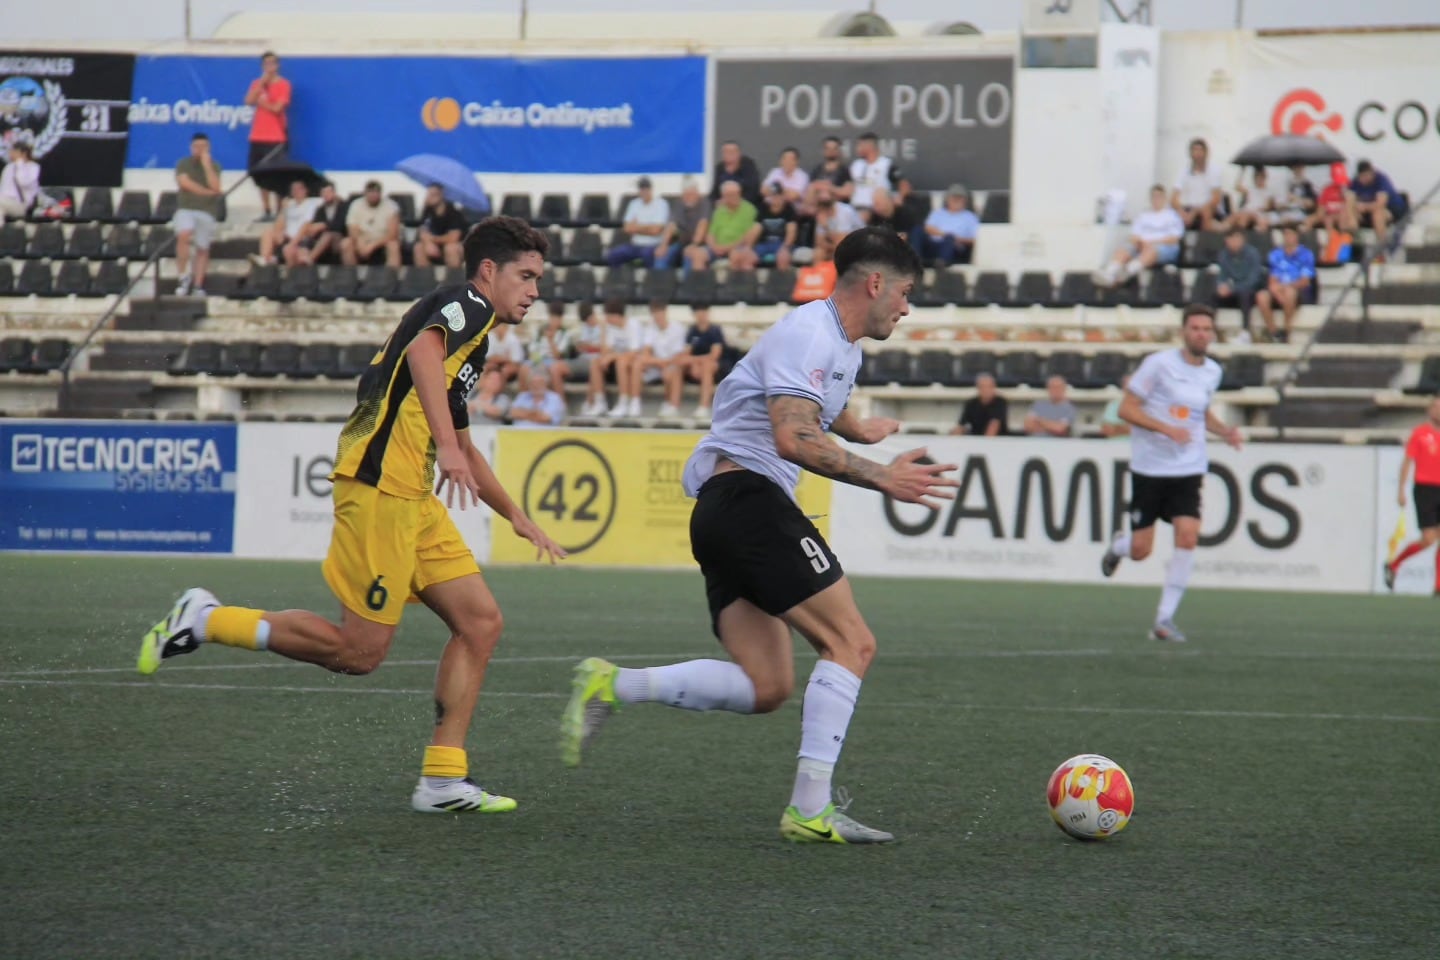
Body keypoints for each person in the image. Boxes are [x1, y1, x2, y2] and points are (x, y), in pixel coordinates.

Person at [138, 217, 566, 814]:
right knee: (360, 653)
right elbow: (422, 352)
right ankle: (209, 620)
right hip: (380, 487)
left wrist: (517, 516)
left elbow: (464, 445)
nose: (535, 291)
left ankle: (443, 780)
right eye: (526, 276)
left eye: (539, 280)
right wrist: (444, 447)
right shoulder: (467, 304)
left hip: (414, 498)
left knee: (480, 623)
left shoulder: (477, 340)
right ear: (489, 271)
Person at [560, 227, 957, 844]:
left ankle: (613, 684)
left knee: (766, 685)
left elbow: (819, 405)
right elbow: (793, 436)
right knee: (852, 643)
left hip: (724, 511)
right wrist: (884, 477)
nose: (907, 308)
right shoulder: (810, 333)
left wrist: (859, 430)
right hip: (750, 501)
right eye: (905, 293)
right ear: (876, 283)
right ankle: (809, 810)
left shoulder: (840, 345)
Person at [1100, 304, 1243, 642]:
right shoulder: (1158, 364)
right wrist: (1165, 428)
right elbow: (1126, 409)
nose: (1201, 334)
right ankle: (1120, 546)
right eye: (1195, 328)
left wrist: (1225, 432)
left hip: (1188, 468)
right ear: (1183, 332)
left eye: (1207, 329)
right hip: (1150, 468)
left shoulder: (1212, 371)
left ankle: (1164, 619)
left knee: (1188, 536)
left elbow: (1200, 412)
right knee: (1141, 550)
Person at [1383, 396, 1440, 594]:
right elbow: (1407, 461)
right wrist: (1401, 489)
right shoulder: (1420, 433)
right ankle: (1394, 565)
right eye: (1436, 407)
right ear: (1429, 411)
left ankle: (1438, 584)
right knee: (1429, 539)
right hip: (1425, 489)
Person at [1095, 185, 1184, 288]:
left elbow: (1174, 239)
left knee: (1152, 250)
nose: (1156, 199)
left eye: (1159, 196)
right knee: (1126, 247)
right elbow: (1134, 236)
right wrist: (1142, 243)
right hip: (1141, 245)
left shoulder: (1172, 216)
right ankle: (1110, 272)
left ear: (1164, 198)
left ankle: (1125, 273)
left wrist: (1151, 243)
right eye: (1154, 196)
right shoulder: (1143, 216)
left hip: (1164, 248)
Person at [173, 133, 223, 298]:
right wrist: (207, 192)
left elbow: (216, 186)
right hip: (186, 208)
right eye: (197, 146)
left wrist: (207, 166)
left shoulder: (215, 166)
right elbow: (185, 183)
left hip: (206, 211)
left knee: (202, 247)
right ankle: (183, 277)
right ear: (191, 147)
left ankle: (198, 285)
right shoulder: (183, 163)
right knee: (184, 233)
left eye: (204, 146)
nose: (200, 150)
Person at [244, 51, 291, 222]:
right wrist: (261, 85)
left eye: (273, 63)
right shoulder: (257, 84)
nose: (270, 67)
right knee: (259, 174)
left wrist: (262, 102)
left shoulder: (284, 85)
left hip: (276, 137)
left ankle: (279, 211)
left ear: (277, 65)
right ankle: (266, 210)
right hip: (257, 136)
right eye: (266, 64)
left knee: (277, 174)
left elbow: (277, 108)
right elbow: (248, 101)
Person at [582, 298, 643, 418]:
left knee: (622, 361)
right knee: (595, 362)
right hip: (616, 364)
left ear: (616, 315)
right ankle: (600, 402)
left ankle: (624, 402)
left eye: (608, 316)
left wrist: (613, 356)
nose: (606, 319)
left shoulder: (634, 325)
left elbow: (634, 352)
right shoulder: (611, 327)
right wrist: (603, 330)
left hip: (631, 365)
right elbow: (605, 351)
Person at [1255, 225, 1315, 344]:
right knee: (1261, 296)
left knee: (1289, 293)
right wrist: (1278, 293)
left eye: (1290, 234)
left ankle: (1287, 331)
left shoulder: (1306, 254)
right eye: (1285, 234)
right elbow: (1273, 280)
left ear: (1297, 236)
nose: (1288, 237)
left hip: (1298, 289)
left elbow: (1305, 281)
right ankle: (1274, 332)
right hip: (1278, 289)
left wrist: (1286, 287)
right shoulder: (1275, 254)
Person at [662, 306, 725, 419]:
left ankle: (703, 407)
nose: (701, 315)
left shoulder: (715, 330)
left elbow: (714, 355)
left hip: (712, 367)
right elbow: (686, 354)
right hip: (694, 366)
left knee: (707, 366)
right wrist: (693, 364)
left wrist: (696, 362)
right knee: (678, 366)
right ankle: (673, 406)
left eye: (703, 312)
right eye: (698, 313)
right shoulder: (692, 331)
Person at [685, 180, 758, 273]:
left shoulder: (749, 209)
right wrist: (715, 247)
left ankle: (733, 282)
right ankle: (700, 282)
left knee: (736, 255)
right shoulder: (719, 211)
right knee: (697, 254)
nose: (734, 197)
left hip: (737, 247)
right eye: (730, 195)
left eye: (736, 193)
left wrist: (727, 248)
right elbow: (710, 234)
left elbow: (747, 237)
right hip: (716, 248)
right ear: (724, 196)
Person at [634, 300, 689, 416]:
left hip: (673, 365)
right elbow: (645, 354)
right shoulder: (650, 329)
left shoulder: (677, 328)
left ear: (665, 312)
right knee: (637, 364)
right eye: (654, 314)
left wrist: (665, 364)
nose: (657, 317)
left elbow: (679, 356)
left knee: (673, 370)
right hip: (657, 365)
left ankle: (672, 405)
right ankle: (634, 402)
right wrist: (660, 362)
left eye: (659, 313)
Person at [252, 179, 321, 267]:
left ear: (305, 190)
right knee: (268, 233)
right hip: (287, 237)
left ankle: (277, 260)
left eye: (299, 189)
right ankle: (265, 259)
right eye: (293, 189)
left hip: (301, 238)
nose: (296, 191)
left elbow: (306, 224)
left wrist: (293, 242)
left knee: (296, 253)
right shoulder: (290, 205)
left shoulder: (311, 204)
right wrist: (283, 210)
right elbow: (277, 227)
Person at [606, 176, 671, 268]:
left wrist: (636, 227)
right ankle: (619, 277)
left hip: (653, 245)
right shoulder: (634, 204)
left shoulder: (661, 204)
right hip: (635, 245)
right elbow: (627, 228)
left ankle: (650, 277)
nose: (644, 191)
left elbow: (656, 230)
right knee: (613, 255)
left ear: (651, 189)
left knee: (647, 255)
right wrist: (648, 227)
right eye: (641, 189)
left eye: (646, 189)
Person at [1213, 227, 1265, 340]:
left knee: (1244, 295)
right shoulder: (1223, 255)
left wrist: (1232, 288)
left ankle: (1245, 331)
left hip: (1250, 290)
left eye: (1237, 239)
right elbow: (1222, 275)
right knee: (1213, 294)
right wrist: (1221, 286)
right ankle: (1212, 329)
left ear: (1243, 240)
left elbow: (1254, 279)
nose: (1234, 242)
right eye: (1231, 239)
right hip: (1232, 290)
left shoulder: (1253, 254)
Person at [1347, 160, 1407, 255]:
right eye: (1362, 177)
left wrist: (1364, 207)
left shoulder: (1381, 180)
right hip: (1367, 210)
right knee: (1348, 215)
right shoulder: (1356, 182)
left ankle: (1383, 247)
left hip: (1392, 209)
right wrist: (1352, 215)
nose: (1364, 179)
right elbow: (1349, 200)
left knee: (1377, 214)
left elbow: (1380, 204)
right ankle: (1354, 250)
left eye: (1366, 176)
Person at [732, 182, 796, 271]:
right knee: (746, 258)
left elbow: (791, 232)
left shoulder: (789, 209)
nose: (775, 198)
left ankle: (780, 279)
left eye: (778, 195)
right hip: (764, 244)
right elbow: (756, 229)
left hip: (781, 244)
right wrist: (748, 247)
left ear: (783, 196)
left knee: (783, 258)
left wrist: (785, 247)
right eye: (773, 196)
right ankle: (750, 279)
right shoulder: (763, 208)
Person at [653, 176, 709, 270]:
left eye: (691, 194)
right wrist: (663, 245)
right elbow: (671, 225)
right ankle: (659, 279)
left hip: (699, 244)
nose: (689, 197)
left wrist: (694, 245)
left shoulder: (704, 203)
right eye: (686, 195)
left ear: (697, 193)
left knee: (690, 254)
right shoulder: (679, 203)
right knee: (662, 255)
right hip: (681, 242)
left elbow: (702, 225)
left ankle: (688, 279)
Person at [342, 181, 402, 268]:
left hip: (382, 241)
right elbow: (352, 229)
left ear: (380, 193)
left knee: (393, 246)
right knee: (346, 243)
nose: (373, 195)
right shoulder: (356, 205)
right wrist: (359, 242)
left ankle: (391, 275)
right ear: (365, 193)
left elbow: (392, 234)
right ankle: (352, 274)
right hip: (363, 239)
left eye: (376, 192)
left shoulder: (391, 206)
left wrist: (372, 246)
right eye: (370, 192)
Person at [1171, 137, 1223, 231]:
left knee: (1206, 212)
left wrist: (1195, 212)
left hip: (1207, 208)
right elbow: (1174, 197)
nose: (1198, 153)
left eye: (1200, 150)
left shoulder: (1214, 171)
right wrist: (1181, 212)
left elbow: (1216, 199)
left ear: (1206, 153)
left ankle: (1205, 238)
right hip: (1188, 207)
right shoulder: (1184, 172)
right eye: (1195, 150)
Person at [920, 185, 979, 266]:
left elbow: (975, 239)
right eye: (953, 197)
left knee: (949, 239)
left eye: (959, 198)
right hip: (934, 245)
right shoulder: (938, 213)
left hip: (956, 248)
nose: (956, 200)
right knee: (917, 231)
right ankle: (915, 261)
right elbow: (927, 228)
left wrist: (956, 239)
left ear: (965, 200)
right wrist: (945, 235)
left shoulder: (970, 217)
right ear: (947, 199)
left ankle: (942, 264)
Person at [555, 301, 602, 398]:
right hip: (582, 359)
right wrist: (580, 347)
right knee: (555, 367)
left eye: (590, 318)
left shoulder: (602, 327)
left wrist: (590, 347)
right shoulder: (585, 327)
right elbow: (582, 347)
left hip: (594, 361)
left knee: (594, 366)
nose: (589, 322)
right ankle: (560, 403)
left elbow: (605, 349)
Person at [414, 184, 466, 269]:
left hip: (456, 246)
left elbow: (453, 238)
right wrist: (427, 243)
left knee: (450, 248)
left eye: (433, 195)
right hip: (436, 245)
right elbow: (422, 231)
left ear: (442, 196)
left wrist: (433, 240)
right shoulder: (427, 212)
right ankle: (425, 276)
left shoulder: (454, 213)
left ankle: (454, 276)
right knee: (419, 247)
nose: (429, 197)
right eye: (428, 194)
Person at [848, 132, 903, 212]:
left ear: (868, 146)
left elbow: (903, 184)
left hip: (877, 209)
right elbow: (849, 187)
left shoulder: (886, 164)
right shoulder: (856, 165)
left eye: (859, 145)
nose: (857, 149)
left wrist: (900, 197)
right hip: (855, 207)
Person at [297, 180, 346, 265]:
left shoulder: (343, 206)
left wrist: (324, 225)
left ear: (334, 193)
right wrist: (313, 229)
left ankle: (309, 260)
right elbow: (315, 225)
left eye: (328, 192)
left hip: (338, 238)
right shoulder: (320, 210)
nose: (326, 195)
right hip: (322, 239)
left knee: (328, 235)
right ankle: (301, 263)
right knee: (305, 239)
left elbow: (341, 225)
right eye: (324, 192)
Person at [951, 372, 1008, 436]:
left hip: (997, 439)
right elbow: (962, 425)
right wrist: (956, 433)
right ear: (978, 387)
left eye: (989, 386)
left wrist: (985, 441)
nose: (986, 390)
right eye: (982, 387)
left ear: (994, 387)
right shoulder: (971, 403)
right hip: (975, 437)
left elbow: (994, 426)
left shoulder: (1000, 402)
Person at [709, 140, 762, 207]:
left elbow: (753, 191)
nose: (729, 155)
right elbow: (714, 193)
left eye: (732, 152)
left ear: (739, 154)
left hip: (746, 205)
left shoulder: (748, 166)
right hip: (724, 207)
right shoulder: (719, 168)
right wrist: (716, 202)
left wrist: (734, 201)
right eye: (726, 152)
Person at [1226, 167, 1278, 231]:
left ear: (1264, 178)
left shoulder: (1269, 192)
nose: (1259, 180)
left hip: (1258, 213)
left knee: (1245, 218)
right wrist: (1243, 171)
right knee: (1235, 216)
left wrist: (1260, 209)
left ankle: (1242, 231)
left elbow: (1268, 207)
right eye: (1257, 178)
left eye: (1261, 177)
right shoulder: (1251, 189)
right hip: (1247, 210)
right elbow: (1237, 187)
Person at [0, 142, 40, 219]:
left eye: (14, 152)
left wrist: (20, 163)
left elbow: (23, 182)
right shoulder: (8, 167)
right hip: (4, 202)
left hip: (21, 205)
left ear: (23, 154)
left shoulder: (33, 167)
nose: (11, 154)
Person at [807, 136, 853, 201]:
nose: (831, 151)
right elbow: (811, 191)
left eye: (834, 148)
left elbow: (847, 193)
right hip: (819, 204)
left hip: (839, 204)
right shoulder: (816, 170)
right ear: (823, 151)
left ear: (839, 151)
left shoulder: (845, 171)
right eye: (827, 148)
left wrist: (829, 187)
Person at [1099, 374, 1132, 439]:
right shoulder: (1114, 405)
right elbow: (1107, 430)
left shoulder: (1148, 406)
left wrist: (1118, 428)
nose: (1130, 388)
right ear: (1123, 387)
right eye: (1128, 385)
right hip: (1116, 444)